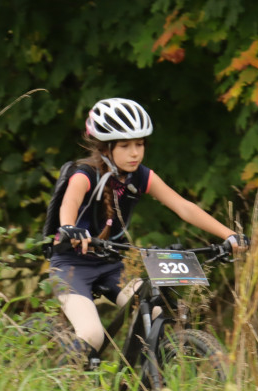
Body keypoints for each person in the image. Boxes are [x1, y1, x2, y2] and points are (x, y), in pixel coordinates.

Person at [48, 97, 246, 365]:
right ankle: (61, 385)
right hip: (71, 267)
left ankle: (140, 383)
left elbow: (183, 206)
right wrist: (70, 229)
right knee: (92, 334)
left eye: (139, 144)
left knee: (154, 312)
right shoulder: (85, 174)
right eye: (125, 146)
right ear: (106, 148)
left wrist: (228, 234)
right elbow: (69, 204)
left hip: (111, 265)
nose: (135, 153)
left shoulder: (140, 176)